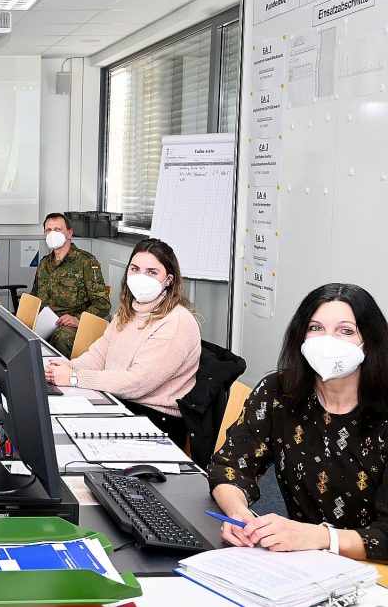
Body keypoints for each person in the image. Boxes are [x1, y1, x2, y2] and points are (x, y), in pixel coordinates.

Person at [209, 283, 388, 560]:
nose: (328, 341)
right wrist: (239, 515)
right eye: (316, 328)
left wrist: (320, 537)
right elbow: (229, 466)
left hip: (374, 571)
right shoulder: (278, 392)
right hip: (302, 560)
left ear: (371, 342)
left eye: (346, 331)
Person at [45, 238, 200, 443]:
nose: (141, 277)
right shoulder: (128, 311)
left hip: (154, 420)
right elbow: (99, 355)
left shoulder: (177, 321)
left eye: (152, 272)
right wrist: (66, 368)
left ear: (169, 280)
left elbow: (137, 382)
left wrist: (75, 378)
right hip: (118, 400)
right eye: (135, 269)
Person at [32, 213, 111, 357]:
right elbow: (34, 298)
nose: (52, 234)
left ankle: (61, 376)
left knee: (61, 337)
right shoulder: (44, 264)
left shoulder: (86, 262)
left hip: (71, 325)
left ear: (69, 233)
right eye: (48, 230)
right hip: (47, 323)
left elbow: (103, 304)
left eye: (58, 229)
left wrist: (78, 319)